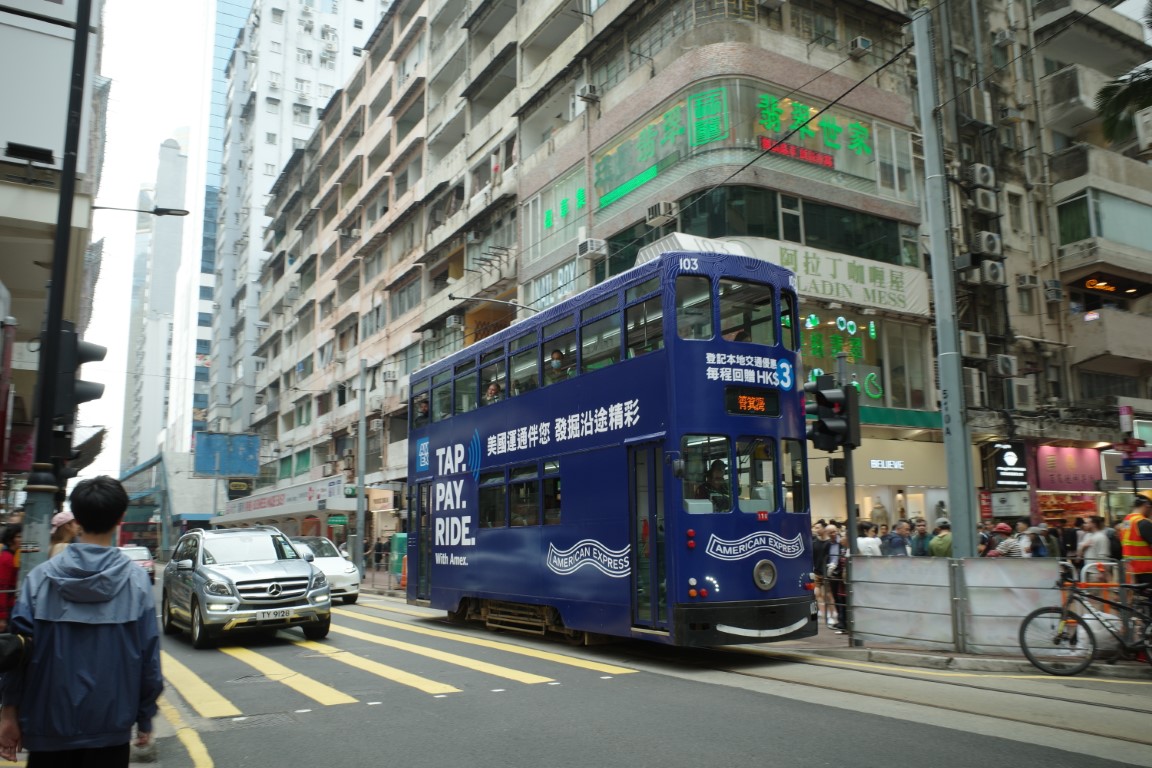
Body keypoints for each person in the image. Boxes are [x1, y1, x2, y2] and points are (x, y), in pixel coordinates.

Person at [0, 477, 162, 766]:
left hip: (47, 725)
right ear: (120, 517)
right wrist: (145, 717)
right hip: (110, 728)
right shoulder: (136, 582)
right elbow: (148, 658)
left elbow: (16, 655)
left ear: (77, 517)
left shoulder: (39, 579)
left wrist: (9, 713)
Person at [1120, 495, 1152, 587]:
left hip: (1131, 570)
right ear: (1147, 505)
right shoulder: (1143, 522)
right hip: (1147, 570)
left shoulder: (1126, 521)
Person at [1076, 515, 1113, 582]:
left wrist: (1101, 572)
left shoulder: (1101, 537)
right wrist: (1084, 546)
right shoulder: (1087, 535)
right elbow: (1079, 555)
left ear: (1093, 524)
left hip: (1095, 573)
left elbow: (1103, 556)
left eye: (1087, 523)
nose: (1084, 525)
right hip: (1086, 570)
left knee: (1095, 591)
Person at [0, 525, 21, 633]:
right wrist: (2, 617)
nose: (21, 539)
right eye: (18, 536)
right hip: (7, 608)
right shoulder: (7, 558)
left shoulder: (12, 556)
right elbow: (2, 588)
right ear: (10, 539)